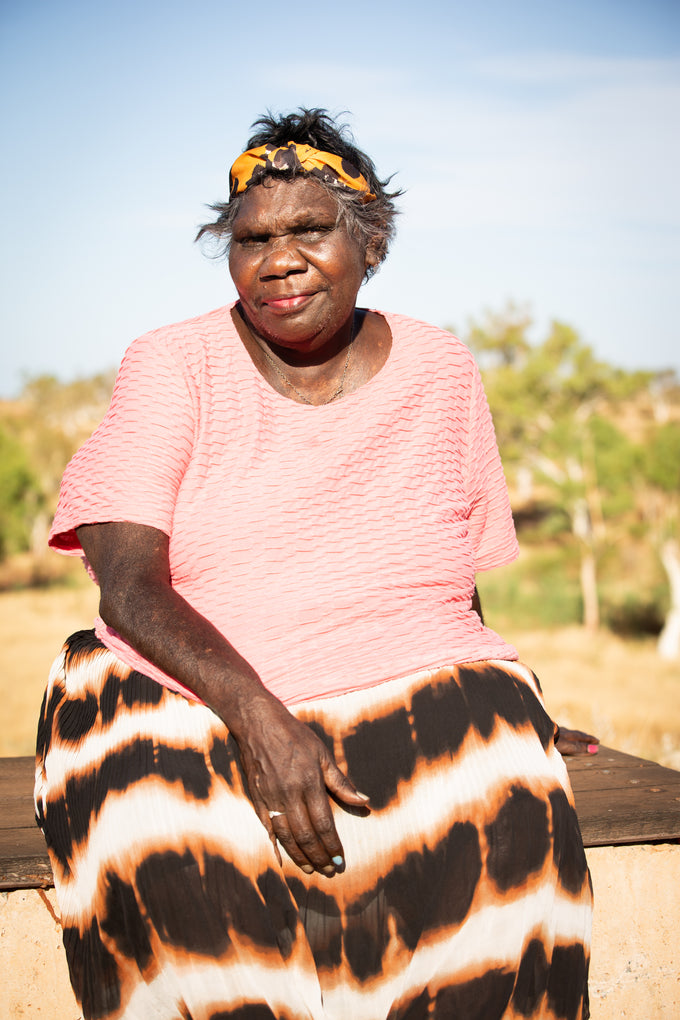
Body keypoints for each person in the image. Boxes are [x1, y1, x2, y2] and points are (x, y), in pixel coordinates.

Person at [35, 108, 592, 1020]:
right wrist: (257, 714)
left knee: (510, 807)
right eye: (252, 239)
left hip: (402, 671)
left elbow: (449, 569)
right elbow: (128, 586)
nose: (277, 259)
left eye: (308, 230)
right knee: (175, 845)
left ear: (370, 242)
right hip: (188, 681)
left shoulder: (441, 367)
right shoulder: (173, 364)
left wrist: (511, 697)